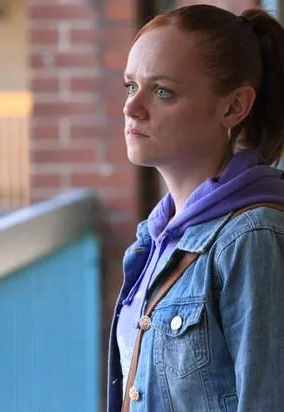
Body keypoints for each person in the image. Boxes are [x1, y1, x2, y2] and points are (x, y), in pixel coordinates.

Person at [108, 4, 284, 412]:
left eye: (162, 91)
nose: (132, 108)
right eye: (131, 86)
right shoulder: (155, 239)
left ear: (234, 106)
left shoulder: (253, 238)